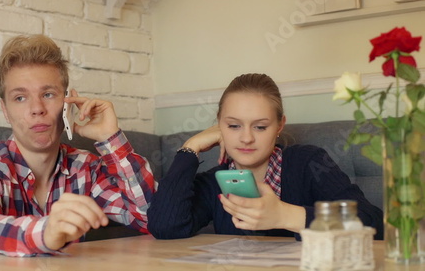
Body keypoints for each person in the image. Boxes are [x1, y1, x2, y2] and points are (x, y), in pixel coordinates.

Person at [0, 34, 156, 256]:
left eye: (48, 94)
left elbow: (151, 218)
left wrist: (110, 137)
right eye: (20, 98)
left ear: (68, 103)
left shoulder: (86, 168)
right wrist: (45, 232)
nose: (37, 108)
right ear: (5, 110)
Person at [147, 73, 383, 240]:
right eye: (233, 126)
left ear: (280, 126)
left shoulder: (308, 162)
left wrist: (286, 215)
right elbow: (165, 227)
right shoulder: (215, 180)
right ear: (218, 124)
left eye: (260, 127)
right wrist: (190, 148)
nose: (246, 138)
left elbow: (371, 221)